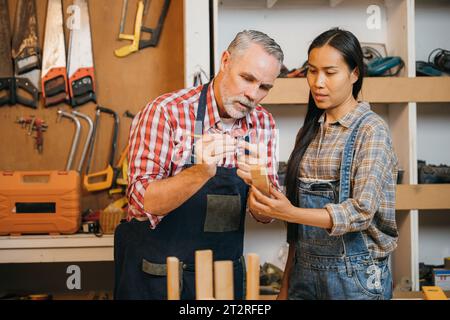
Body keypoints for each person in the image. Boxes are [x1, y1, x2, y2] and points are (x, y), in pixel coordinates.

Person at [114, 30, 284, 300]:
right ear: (225, 61)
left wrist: (260, 183)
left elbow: (265, 216)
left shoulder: (263, 124)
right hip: (157, 277)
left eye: (264, 87)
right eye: (247, 78)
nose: (253, 94)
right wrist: (201, 171)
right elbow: (142, 203)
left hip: (222, 280)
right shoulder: (166, 112)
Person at [248, 28, 399, 300]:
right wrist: (285, 287)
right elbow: (298, 234)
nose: (318, 82)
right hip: (304, 276)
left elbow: (360, 212)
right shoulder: (310, 132)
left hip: (355, 280)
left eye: (330, 73)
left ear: (354, 74)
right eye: (312, 71)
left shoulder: (371, 130)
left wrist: (289, 212)